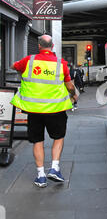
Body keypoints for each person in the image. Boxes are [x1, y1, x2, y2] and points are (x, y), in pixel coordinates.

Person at [10, 35, 78, 188]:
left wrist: (18, 68)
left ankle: (41, 176)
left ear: (39, 46)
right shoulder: (61, 64)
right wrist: (74, 94)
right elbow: (69, 86)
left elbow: (14, 66)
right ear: (52, 46)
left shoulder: (29, 61)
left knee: (37, 141)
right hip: (56, 110)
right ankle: (54, 168)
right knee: (58, 137)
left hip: (34, 111)